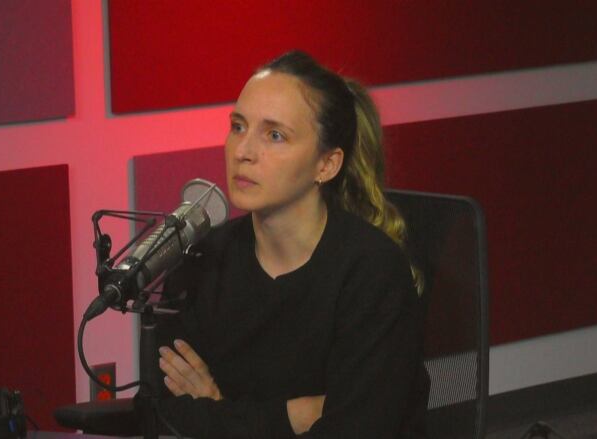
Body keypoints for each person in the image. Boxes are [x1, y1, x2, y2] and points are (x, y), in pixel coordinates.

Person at [154, 50, 428, 438]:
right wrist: (292, 417)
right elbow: (165, 415)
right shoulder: (200, 260)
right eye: (237, 126)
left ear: (326, 165)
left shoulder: (373, 272)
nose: (243, 152)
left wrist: (219, 412)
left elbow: (356, 430)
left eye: (275, 135)